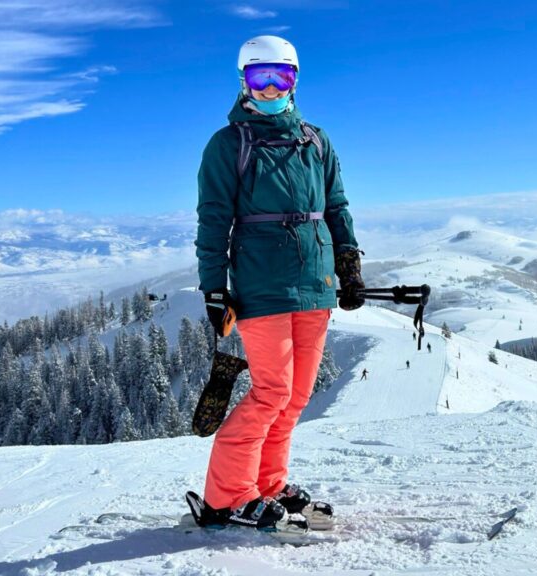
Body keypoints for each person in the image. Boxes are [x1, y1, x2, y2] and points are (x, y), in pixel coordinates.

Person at [195, 35, 364, 530]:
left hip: (314, 282)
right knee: (271, 391)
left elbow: (336, 206)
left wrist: (349, 264)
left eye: (280, 79)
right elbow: (213, 220)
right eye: (258, 79)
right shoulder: (228, 144)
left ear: (294, 80)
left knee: (296, 396)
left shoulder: (316, 140)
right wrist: (214, 287)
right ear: (244, 81)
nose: (269, 90)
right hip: (261, 286)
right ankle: (226, 495)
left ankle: (268, 484)